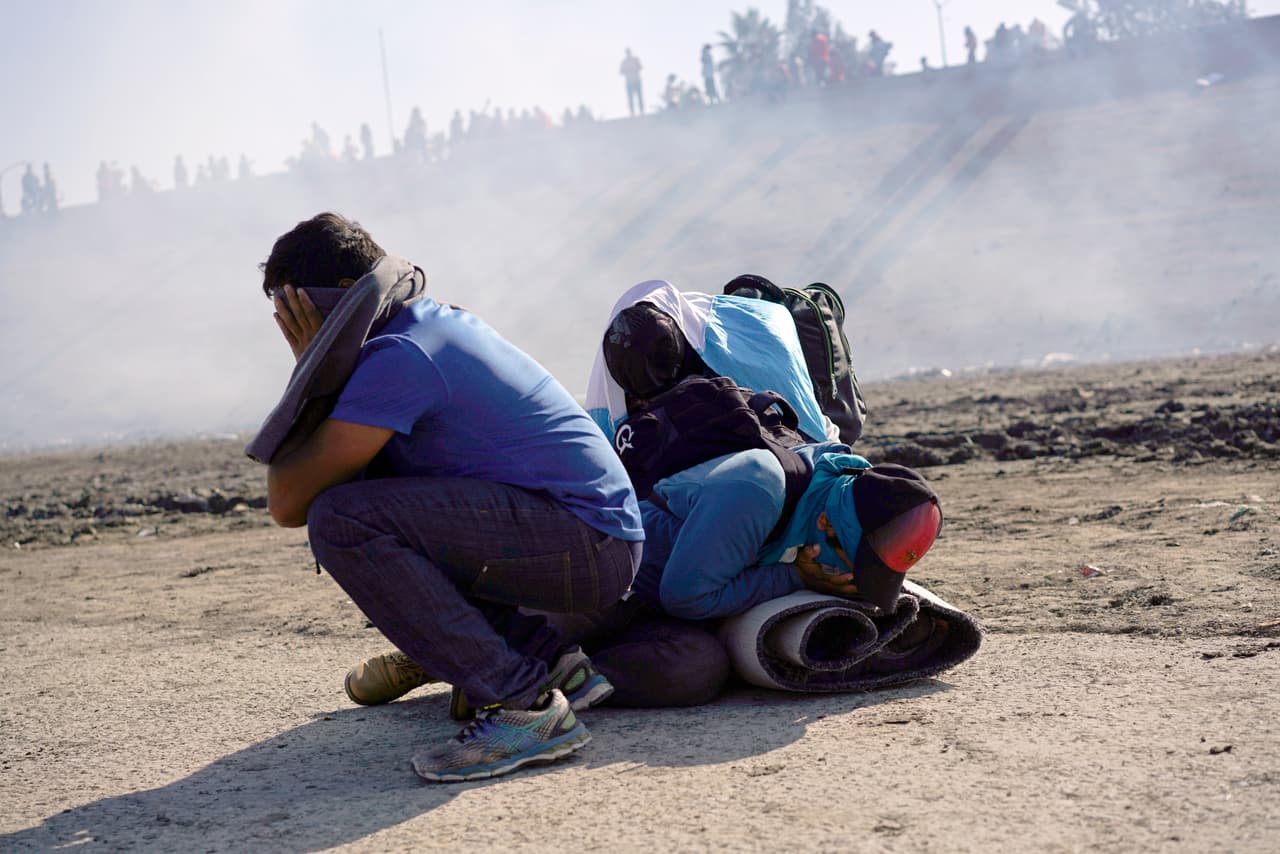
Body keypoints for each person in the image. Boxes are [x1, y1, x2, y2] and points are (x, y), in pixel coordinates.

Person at [252, 212, 643, 782]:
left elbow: (289, 503)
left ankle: (524, 705)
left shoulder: (401, 355)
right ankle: (551, 665)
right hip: (592, 540)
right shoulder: (421, 326)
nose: (293, 327)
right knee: (375, 492)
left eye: (298, 312)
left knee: (342, 520)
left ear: (341, 297)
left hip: (587, 545)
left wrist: (310, 371)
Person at [620, 48, 644, 116]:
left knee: (639, 96)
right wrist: (627, 70)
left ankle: (641, 111)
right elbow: (621, 71)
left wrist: (634, 69)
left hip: (637, 80)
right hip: (629, 82)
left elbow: (640, 67)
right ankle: (632, 112)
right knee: (630, 98)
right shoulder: (624, 62)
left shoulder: (635, 59)